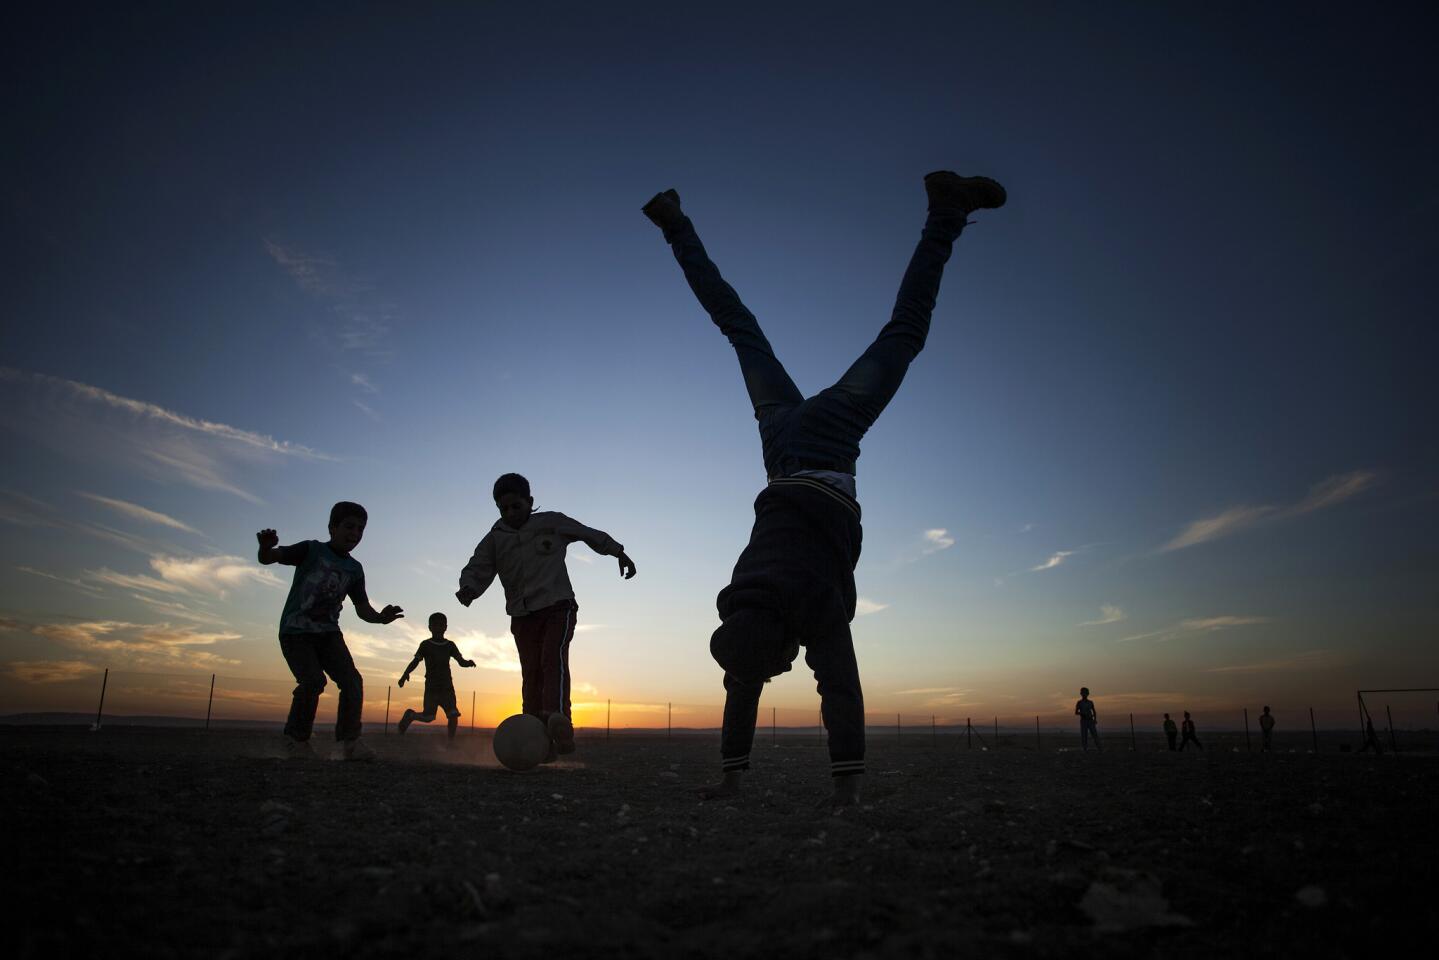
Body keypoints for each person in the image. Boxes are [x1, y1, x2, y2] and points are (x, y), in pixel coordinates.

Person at [642, 170, 1006, 807]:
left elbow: (840, 684)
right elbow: (744, 674)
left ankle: (946, 214)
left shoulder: (808, 603)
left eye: (782, 663)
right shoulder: (740, 602)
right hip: (781, 443)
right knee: (739, 328)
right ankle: (676, 225)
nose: (785, 668)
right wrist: (729, 776)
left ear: (780, 642)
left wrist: (848, 791)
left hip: (830, 442)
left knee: (905, 334)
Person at [456, 473, 635, 755]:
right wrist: (469, 588)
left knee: (552, 659)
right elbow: (478, 566)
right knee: (531, 672)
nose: (511, 513)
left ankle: (558, 719)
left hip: (557, 606)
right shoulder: (495, 539)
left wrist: (618, 552)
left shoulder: (550, 523)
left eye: (516, 506)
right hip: (522, 615)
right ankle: (536, 738)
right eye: (504, 509)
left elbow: (586, 533)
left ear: (530, 502)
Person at [257, 501, 404, 761]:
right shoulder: (310, 550)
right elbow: (269, 558)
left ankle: (350, 743)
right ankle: (296, 740)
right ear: (332, 527)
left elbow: (362, 608)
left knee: (352, 681)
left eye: (360, 529)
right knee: (313, 681)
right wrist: (266, 547)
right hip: (296, 632)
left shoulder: (355, 569)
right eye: (349, 526)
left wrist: (381, 618)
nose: (355, 534)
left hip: (328, 635)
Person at [397, 613, 475, 743]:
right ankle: (410, 715)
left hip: (447, 687)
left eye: (441, 625)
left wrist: (468, 663)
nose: (438, 627)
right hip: (432, 687)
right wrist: (405, 674)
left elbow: (460, 661)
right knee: (429, 717)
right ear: (430, 627)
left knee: (453, 714)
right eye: (435, 625)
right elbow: (416, 661)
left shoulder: (450, 645)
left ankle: (450, 742)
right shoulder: (425, 645)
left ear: (445, 627)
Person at [1075, 687, 1101, 751]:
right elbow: (1076, 712)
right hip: (1083, 721)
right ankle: (1085, 749)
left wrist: (1094, 719)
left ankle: (1099, 748)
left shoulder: (1090, 702)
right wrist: (1082, 713)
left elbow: (1094, 711)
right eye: (1083, 693)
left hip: (1090, 720)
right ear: (1081, 694)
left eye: (1085, 693)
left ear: (1087, 694)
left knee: (1095, 735)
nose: (1084, 694)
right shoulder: (1079, 702)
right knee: (1084, 736)